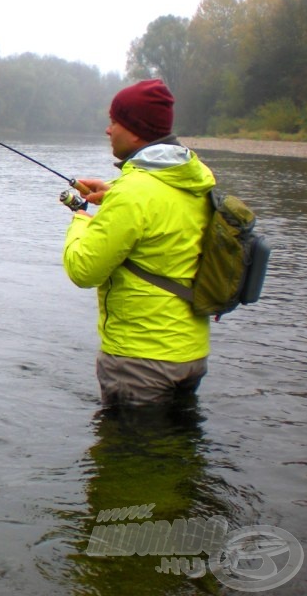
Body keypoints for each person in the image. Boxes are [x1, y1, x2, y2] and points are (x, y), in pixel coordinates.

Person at [62, 79, 217, 407]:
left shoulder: (134, 193)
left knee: (126, 456)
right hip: (190, 355)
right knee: (175, 451)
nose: (108, 130)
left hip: (140, 361)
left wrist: (81, 217)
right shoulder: (194, 176)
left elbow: (82, 270)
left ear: (133, 131)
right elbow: (157, 216)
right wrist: (113, 194)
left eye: (114, 121)